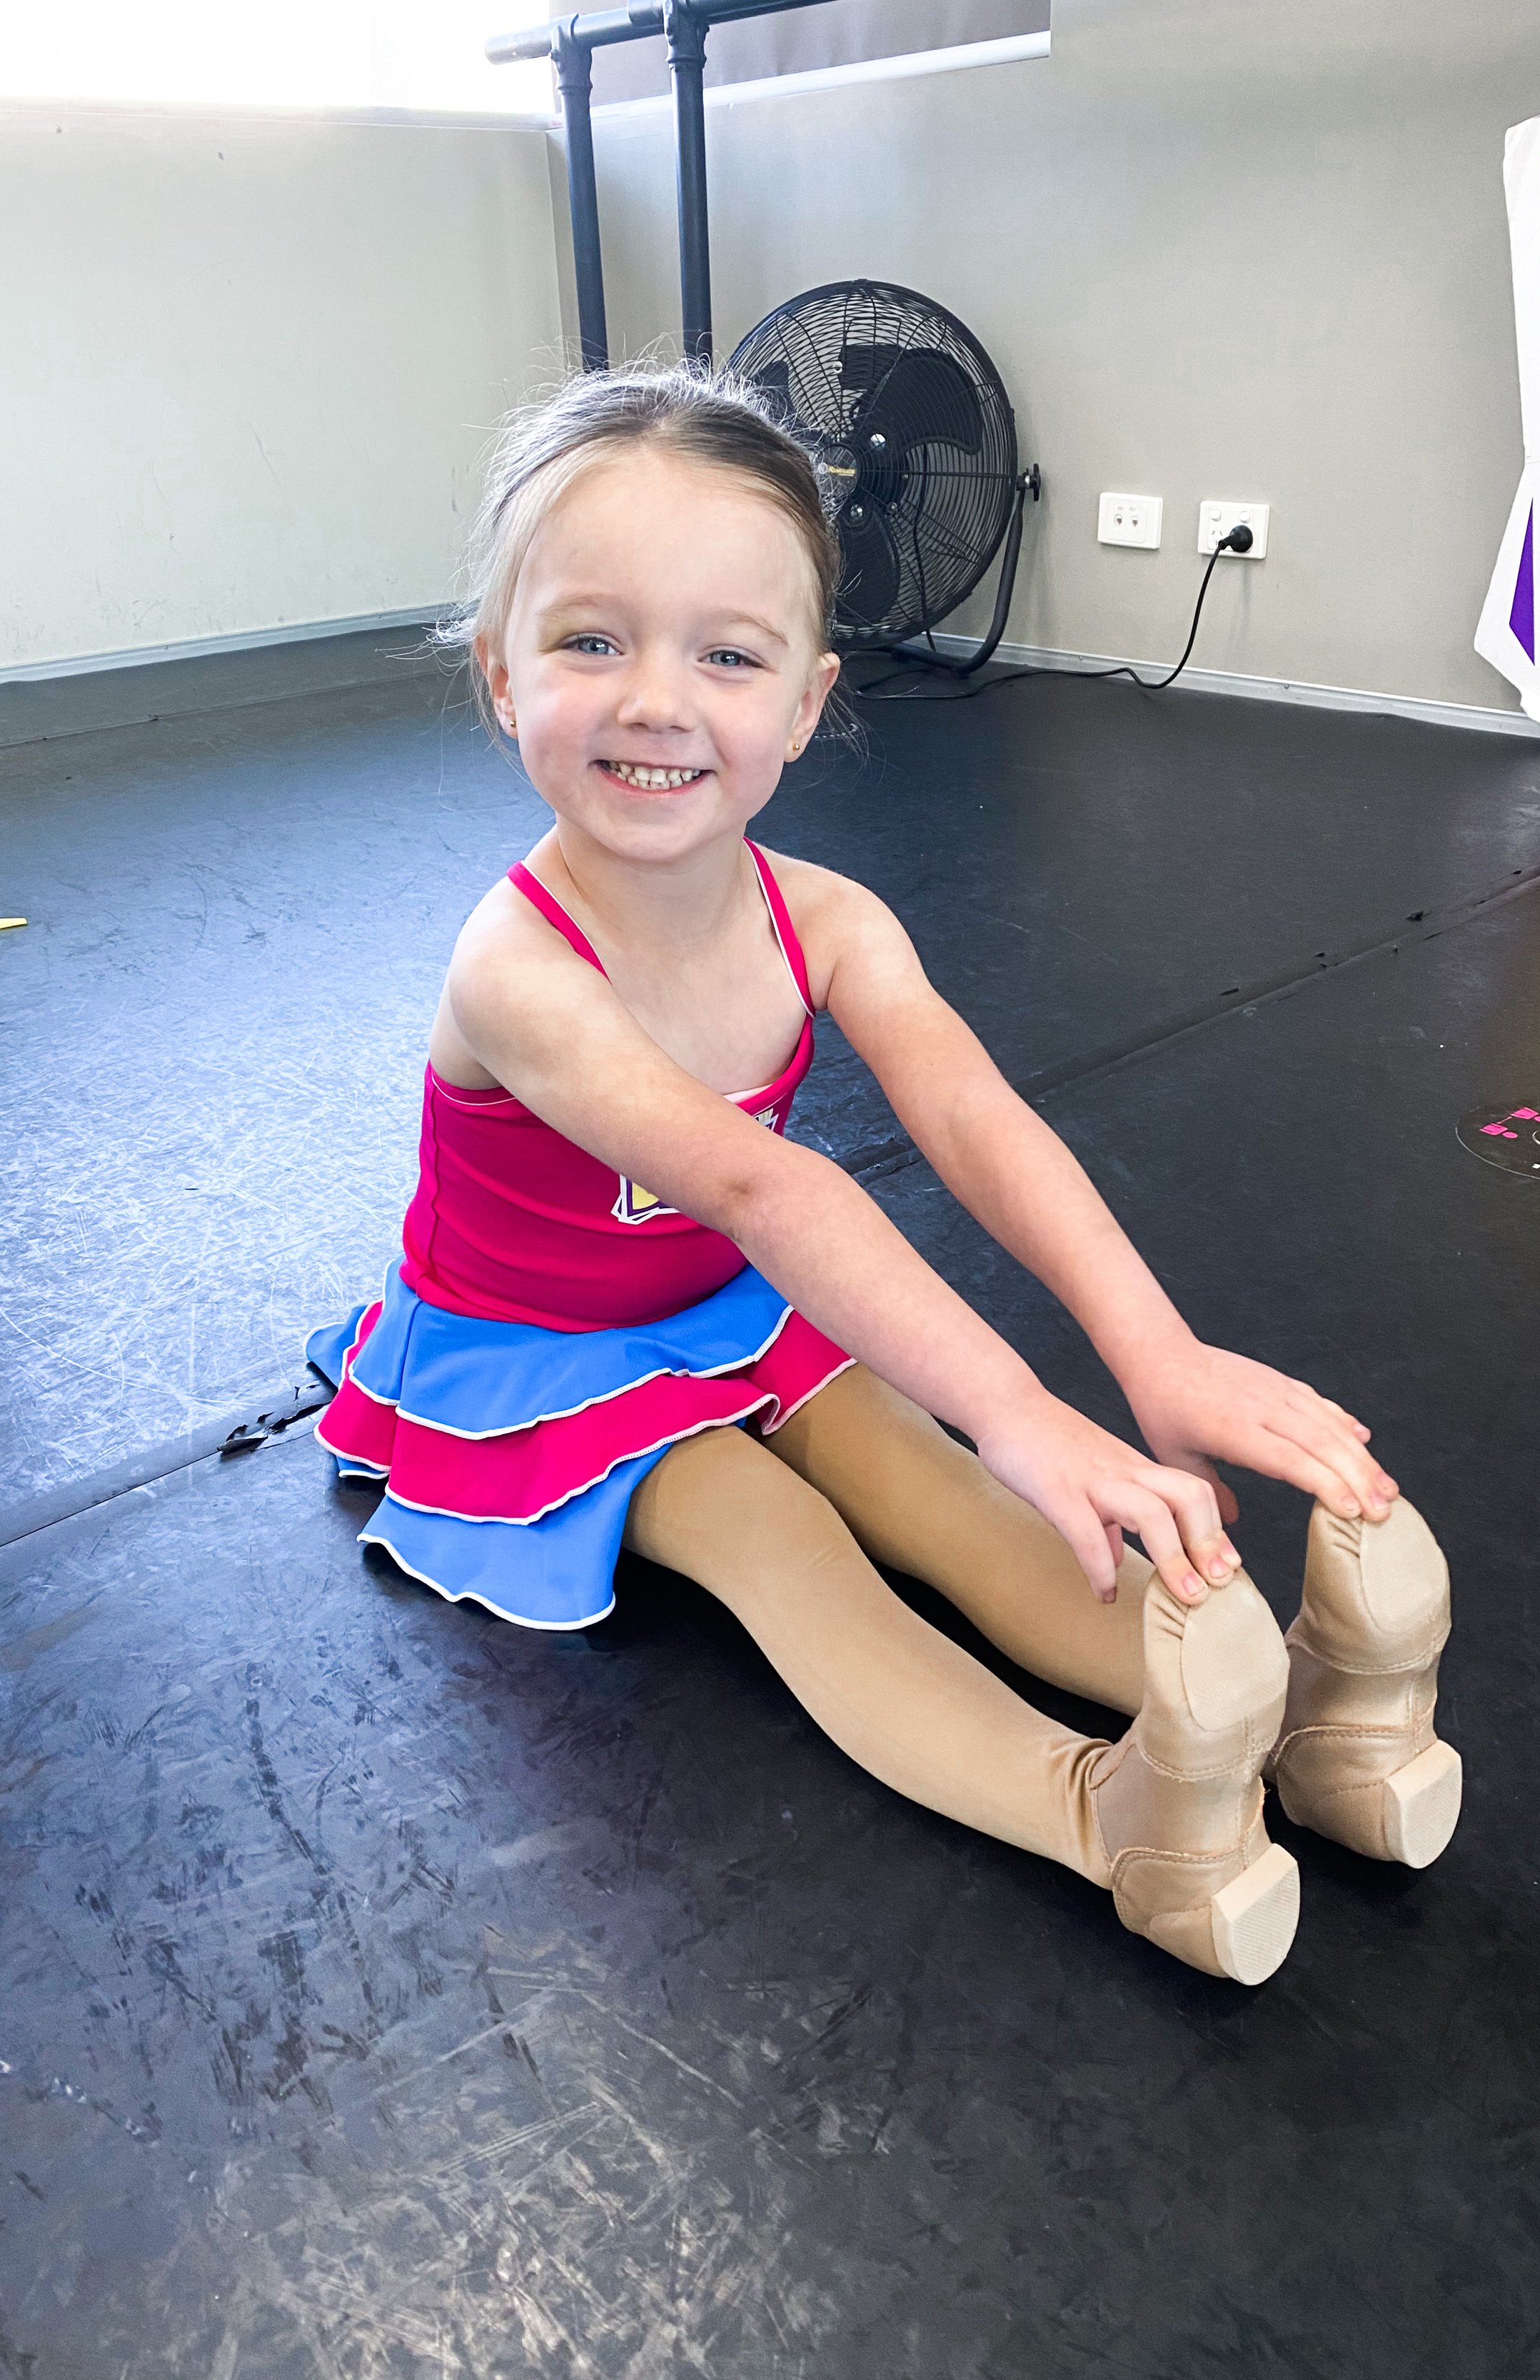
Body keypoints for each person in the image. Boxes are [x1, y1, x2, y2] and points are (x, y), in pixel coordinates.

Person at [309, 366, 1459, 1986]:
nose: (655, 697)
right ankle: (1105, 1816)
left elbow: (981, 1123)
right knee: (787, 1549)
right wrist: (1030, 1402)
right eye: (589, 640)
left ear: (802, 700)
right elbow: (773, 1194)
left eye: (725, 653)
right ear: (501, 677)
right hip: (535, 1362)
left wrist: (1152, 1355)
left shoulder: (828, 920)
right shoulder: (517, 967)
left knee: (960, 1497)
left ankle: (1285, 1712)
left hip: (729, 1314)